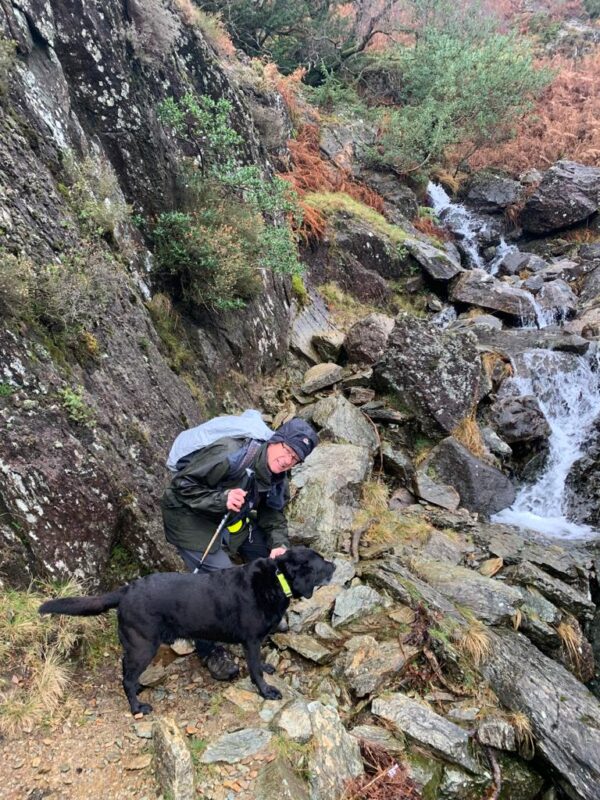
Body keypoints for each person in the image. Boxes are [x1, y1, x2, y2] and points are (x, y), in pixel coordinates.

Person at [160, 417, 319, 680]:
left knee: (266, 554)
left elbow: (273, 515)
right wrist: (221, 498)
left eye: (295, 459)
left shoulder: (279, 475)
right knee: (221, 584)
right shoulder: (229, 453)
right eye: (287, 451)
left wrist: (279, 544)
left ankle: (260, 610)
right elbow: (181, 486)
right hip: (188, 519)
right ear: (275, 441)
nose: (288, 460)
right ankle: (209, 649)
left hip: (230, 520)